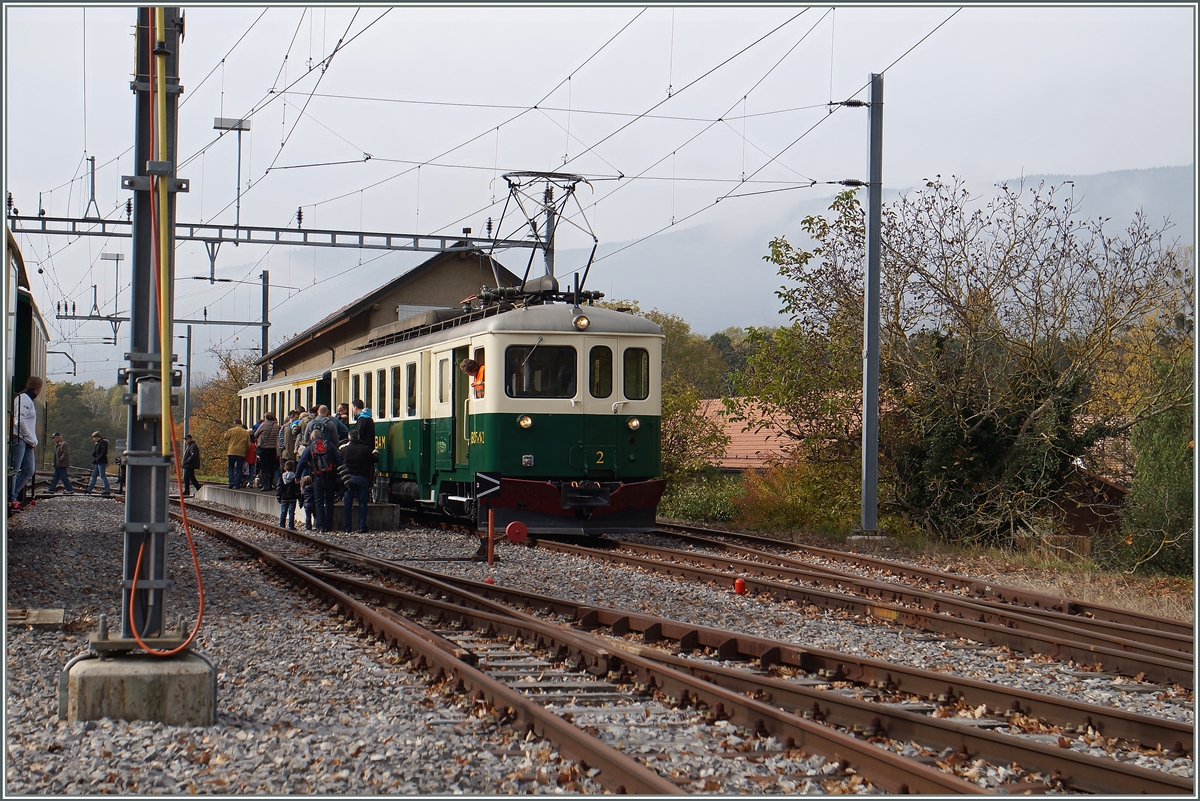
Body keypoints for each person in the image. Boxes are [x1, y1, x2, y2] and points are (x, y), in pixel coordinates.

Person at [296, 428, 342, 532]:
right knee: (330, 501)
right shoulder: (330, 446)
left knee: (319, 501)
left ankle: (322, 526)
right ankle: (329, 525)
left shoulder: (310, 448)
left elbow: (302, 462)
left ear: (312, 437)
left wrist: (297, 476)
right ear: (321, 436)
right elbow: (339, 460)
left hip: (317, 477)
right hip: (330, 476)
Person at [9, 375, 43, 510]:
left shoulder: (28, 399)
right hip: (21, 438)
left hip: (26, 440)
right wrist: (31, 437)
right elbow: (19, 420)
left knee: (29, 470)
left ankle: (13, 495)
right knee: (16, 469)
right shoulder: (23, 399)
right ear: (37, 388)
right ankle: (12, 498)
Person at [341, 435, 376, 533]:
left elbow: (339, 459)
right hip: (362, 478)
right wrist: (376, 453)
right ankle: (362, 527)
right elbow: (374, 459)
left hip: (349, 478)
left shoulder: (345, 449)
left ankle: (347, 528)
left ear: (349, 438)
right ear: (359, 437)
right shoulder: (365, 449)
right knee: (363, 504)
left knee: (347, 504)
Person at [255, 412, 280, 492]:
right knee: (271, 466)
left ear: (266, 418)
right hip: (272, 448)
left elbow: (256, 434)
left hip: (264, 448)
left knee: (264, 467)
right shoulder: (276, 426)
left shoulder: (263, 425)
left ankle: (265, 484)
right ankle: (270, 484)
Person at [224, 420, 250, 489]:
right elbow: (248, 445)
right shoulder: (246, 432)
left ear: (234, 424)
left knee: (231, 467)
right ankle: (238, 484)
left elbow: (225, 437)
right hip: (241, 452)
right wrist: (245, 452)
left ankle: (231, 482)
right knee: (239, 468)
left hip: (231, 451)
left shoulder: (231, 430)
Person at [277, 459, 300, 530]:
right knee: (291, 513)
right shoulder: (295, 478)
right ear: (294, 468)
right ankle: (291, 526)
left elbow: (279, 488)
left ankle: (281, 525)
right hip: (292, 497)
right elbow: (297, 489)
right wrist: (299, 497)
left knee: (283, 512)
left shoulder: (281, 477)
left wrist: (279, 496)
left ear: (285, 468)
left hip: (284, 497)